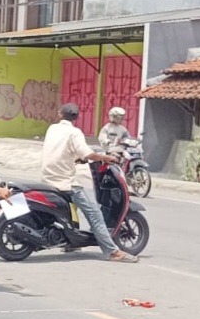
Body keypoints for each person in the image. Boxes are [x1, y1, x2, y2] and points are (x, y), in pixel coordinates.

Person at [40, 103, 138, 263]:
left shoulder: (52, 128)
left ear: (59, 114)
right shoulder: (75, 132)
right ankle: (112, 251)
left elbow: (65, 150)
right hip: (65, 181)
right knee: (94, 213)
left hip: (47, 177)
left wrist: (79, 158)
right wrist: (107, 158)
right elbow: (88, 152)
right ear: (77, 118)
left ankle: (71, 242)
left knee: (73, 207)